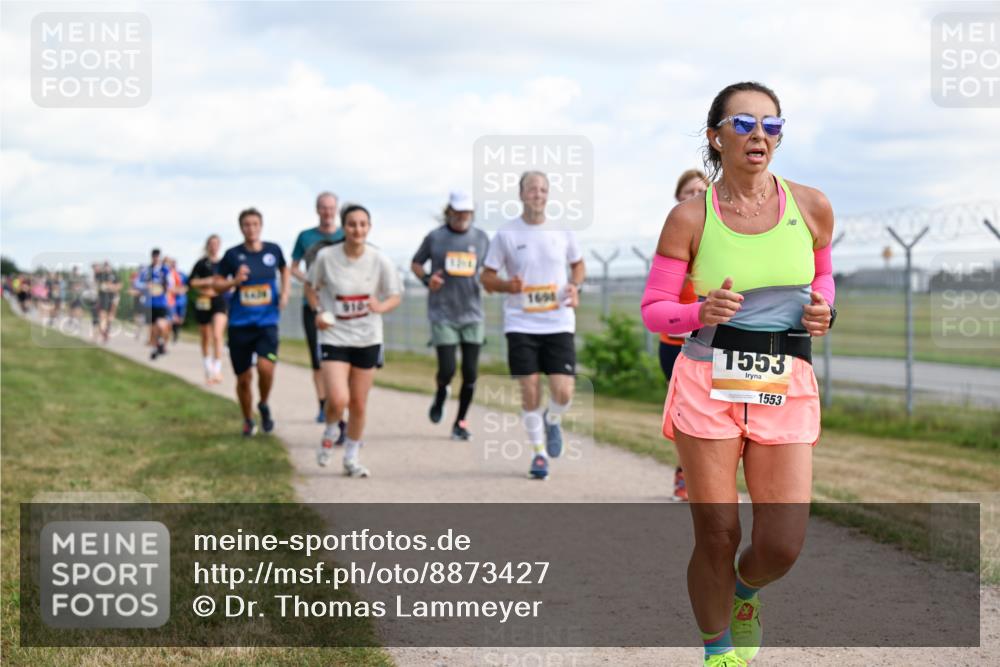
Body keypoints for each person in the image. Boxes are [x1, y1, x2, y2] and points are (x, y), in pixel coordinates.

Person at [640, 81, 836, 667]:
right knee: (719, 533)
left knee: (780, 544)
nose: (759, 135)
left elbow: (823, 278)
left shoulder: (812, 206)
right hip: (707, 380)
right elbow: (654, 310)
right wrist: (697, 311)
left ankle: (746, 593)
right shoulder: (689, 217)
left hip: (785, 379)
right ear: (716, 137)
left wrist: (825, 308)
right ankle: (719, 651)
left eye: (771, 125)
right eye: (745, 124)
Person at [481, 171, 585, 480]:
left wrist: (575, 285)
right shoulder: (506, 235)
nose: (537, 194)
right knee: (529, 391)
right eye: (531, 189)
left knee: (563, 392)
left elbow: (578, 265)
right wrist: (505, 286)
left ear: (548, 194)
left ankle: (552, 420)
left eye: (542, 189)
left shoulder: (563, 230)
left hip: (558, 321)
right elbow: (486, 278)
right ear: (521, 194)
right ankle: (539, 453)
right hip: (520, 323)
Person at [305, 204, 402, 478]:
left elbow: (395, 294)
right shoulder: (326, 257)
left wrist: (380, 307)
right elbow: (311, 288)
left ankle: (351, 458)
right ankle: (330, 430)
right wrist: (318, 311)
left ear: (368, 227)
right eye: (351, 224)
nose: (357, 229)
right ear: (343, 227)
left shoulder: (379, 258)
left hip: (367, 337)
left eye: (362, 224)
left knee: (358, 403)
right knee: (337, 399)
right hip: (334, 335)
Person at [411, 191, 491, 441]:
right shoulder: (435, 237)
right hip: (443, 312)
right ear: (449, 212)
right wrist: (427, 279)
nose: (462, 217)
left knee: (471, 372)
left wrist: (489, 281)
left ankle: (460, 422)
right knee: (447, 369)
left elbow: (490, 269)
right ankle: (441, 392)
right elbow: (416, 263)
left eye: (466, 212)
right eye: (457, 212)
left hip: (472, 314)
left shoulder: (481, 238)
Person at [213, 208, 290, 436]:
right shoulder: (232, 255)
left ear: (261, 226)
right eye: (247, 224)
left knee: (266, 368)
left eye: (255, 224)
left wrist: (284, 293)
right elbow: (216, 284)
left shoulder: (273, 251)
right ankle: (248, 419)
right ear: (241, 228)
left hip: (267, 323)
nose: (251, 228)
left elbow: (284, 268)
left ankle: (263, 404)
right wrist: (234, 281)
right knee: (244, 378)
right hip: (239, 325)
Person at [661, 169, 710, 502]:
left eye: (700, 191)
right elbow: (661, 295)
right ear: (678, 200)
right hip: (676, 344)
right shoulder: (672, 238)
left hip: (715, 343)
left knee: (713, 415)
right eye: (687, 192)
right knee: (686, 413)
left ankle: (709, 478)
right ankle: (685, 473)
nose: (694, 196)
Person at [291, 192, 347, 430]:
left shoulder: (345, 234)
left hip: (339, 303)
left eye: (331, 208)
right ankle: (323, 404)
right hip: (312, 305)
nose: (327, 212)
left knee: (341, 357)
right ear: (317, 210)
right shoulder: (305, 237)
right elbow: (293, 267)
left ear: (336, 210)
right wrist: (311, 279)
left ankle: (338, 402)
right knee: (318, 359)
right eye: (323, 208)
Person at [189, 235, 228, 383]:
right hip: (203, 300)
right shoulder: (201, 263)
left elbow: (230, 280)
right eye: (211, 244)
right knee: (206, 336)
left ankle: (217, 370)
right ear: (207, 246)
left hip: (219, 300)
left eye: (216, 244)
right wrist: (207, 281)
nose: (214, 246)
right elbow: (191, 282)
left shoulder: (225, 263)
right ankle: (208, 367)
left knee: (218, 335)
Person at [140, 249, 175, 360]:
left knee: (162, 325)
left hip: (161, 303)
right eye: (154, 256)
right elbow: (139, 282)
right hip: (150, 303)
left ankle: (161, 343)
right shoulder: (147, 270)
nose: (155, 259)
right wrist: (146, 285)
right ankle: (155, 348)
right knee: (153, 328)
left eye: (157, 257)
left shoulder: (165, 270)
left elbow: (171, 284)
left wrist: (164, 286)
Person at [95, 261, 121, 343]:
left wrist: (111, 287)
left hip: (113, 298)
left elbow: (119, 285)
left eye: (107, 266)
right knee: (102, 316)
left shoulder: (114, 275)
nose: (106, 268)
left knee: (110, 317)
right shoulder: (100, 275)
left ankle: (106, 333)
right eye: (105, 266)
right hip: (103, 298)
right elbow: (100, 285)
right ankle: (104, 333)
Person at [166, 258, 188, 344]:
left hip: (182, 300)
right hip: (172, 299)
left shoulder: (182, 274)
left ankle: (176, 333)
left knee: (180, 319)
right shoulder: (168, 275)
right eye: (172, 263)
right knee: (173, 318)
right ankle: (172, 334)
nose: (173, 265)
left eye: (175, 263)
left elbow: (188, 285)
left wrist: (182, 290)